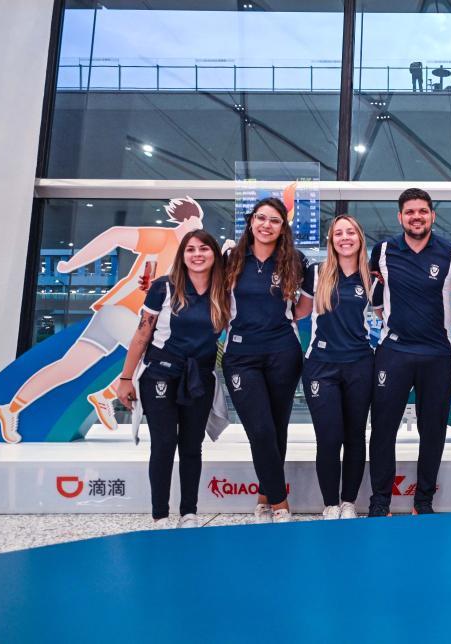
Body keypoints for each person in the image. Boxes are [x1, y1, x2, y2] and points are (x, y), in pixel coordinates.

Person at [0, 198, 204, 443]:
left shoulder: (184, 259)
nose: (198, 235)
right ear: (186, 220)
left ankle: (11, 408)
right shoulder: (164, 238)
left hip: (117, 317)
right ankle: (105, 396)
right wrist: (70, 265)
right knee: (156, 355)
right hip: (121, 312)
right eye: (196, 225)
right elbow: (115, 234)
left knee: (69, 367)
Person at [368, 188, 451, 516]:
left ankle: (423, 502)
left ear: (432, 216)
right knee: (383, 429)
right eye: (410, 212)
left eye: (423, 211)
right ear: (400, 217)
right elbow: (376, 298)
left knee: (433, 431)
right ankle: (380, 501)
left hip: (437, 355)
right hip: (393, 352)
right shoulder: (383, 251)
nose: (417, 217)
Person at [115, 229, 230, 529]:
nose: (197, 255)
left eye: (204, 249)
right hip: (160, 374)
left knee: (192, 446)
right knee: (164, 443)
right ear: (182, 255)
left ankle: (189, 513)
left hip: (200, 378)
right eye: (190, 249)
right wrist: (125, 378)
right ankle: (160, 515)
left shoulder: (224, 291)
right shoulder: (163, 287)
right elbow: (142, 335)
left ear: (214, 254)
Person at [222, 197, 313, 524]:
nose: (266, 225)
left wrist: (280, 322)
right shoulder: (230, 258)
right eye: (261, 218)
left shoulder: (296, 261)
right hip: (241, 355)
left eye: (274, 220)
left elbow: (304, 307)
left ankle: (263, 500)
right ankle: (280, 503)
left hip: (283, 353)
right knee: (259, 429)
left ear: (282, 227)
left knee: (276, 429)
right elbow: (208, 292)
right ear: (251, 221)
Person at [301, 215, 374, 520]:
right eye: (338, 233)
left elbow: (388, 313)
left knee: (355, 436)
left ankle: (348, 502)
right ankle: (330, 503)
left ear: (360, 237)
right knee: (329, 438)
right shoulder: (316, 273)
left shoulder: (373, 277)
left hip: (360, 364)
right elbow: (299, 311)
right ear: (331, 240)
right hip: (321, 365)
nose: (345, 238)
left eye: (350, 232)